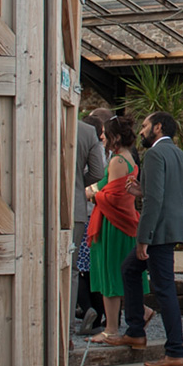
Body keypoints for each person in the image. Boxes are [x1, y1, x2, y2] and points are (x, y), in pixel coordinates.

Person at [125, 111, 183, 366]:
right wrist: (143, 189)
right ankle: (135, 331)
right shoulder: (181, 156)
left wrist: (144, 239)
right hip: (173, 227)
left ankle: (175, 352)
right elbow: (172, 192)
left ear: (158, 127)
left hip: (158, 231)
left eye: (145, 126)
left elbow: (154, 201)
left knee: (164, 290)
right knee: (130, 269)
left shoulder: (153, 154)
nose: (141, 131)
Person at [84, 113, 140, 347]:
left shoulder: (117, 161)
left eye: (105, 134)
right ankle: (141, 312)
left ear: (115, 137)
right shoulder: (128, 158)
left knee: (109, 274)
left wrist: (92, 194)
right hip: (120, 223)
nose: (102, 137)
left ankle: (111, 329)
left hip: (113, 224)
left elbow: (114, 197)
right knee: (119, 274)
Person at [72, 107, 110, 336]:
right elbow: (97, 172)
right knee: (74, 268)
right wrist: (77, 184)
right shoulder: (87, 133)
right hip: (79, 208)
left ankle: (86, 309)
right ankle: (67, 330)